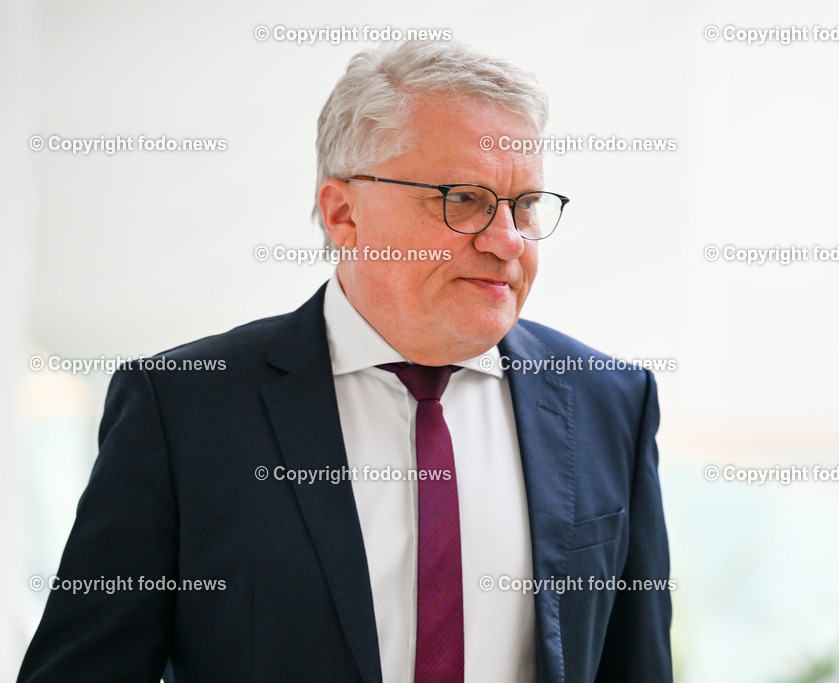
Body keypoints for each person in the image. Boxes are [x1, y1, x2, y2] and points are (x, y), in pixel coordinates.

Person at [19, 39, 672, 682]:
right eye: (463, 199)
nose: (507, 241)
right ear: (344, 213)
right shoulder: (184, 407)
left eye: (525, 205)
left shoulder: (609, 401)